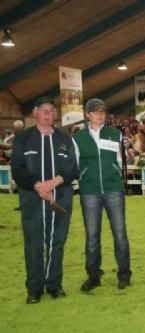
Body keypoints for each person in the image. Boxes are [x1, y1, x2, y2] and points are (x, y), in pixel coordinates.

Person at [11, 96, 78, 304]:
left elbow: (73, 169)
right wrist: (39, 186)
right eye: (45, 110)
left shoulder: (65, 139)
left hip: (61, 198)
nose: (49, 115)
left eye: (52, 111)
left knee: (57, 242)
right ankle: (34, 288)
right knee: (34, 243)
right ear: (35, 113)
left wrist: (53, 183)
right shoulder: (23, 139)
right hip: (32, 198)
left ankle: (54, 284)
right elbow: (18, 169)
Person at [73, 98, 132, 292]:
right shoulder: (78, 137)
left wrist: (117, 175)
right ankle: (93, 276)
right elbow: (75, 164)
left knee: (120, 234)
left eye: (103, 111)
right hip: (89, 191)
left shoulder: (115, 134)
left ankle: (124, 275)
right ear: (88, 115)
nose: (101, 115)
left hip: (113, 189)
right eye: (96, 112)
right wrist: (82, 177)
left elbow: (120, 160)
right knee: (92, 236)